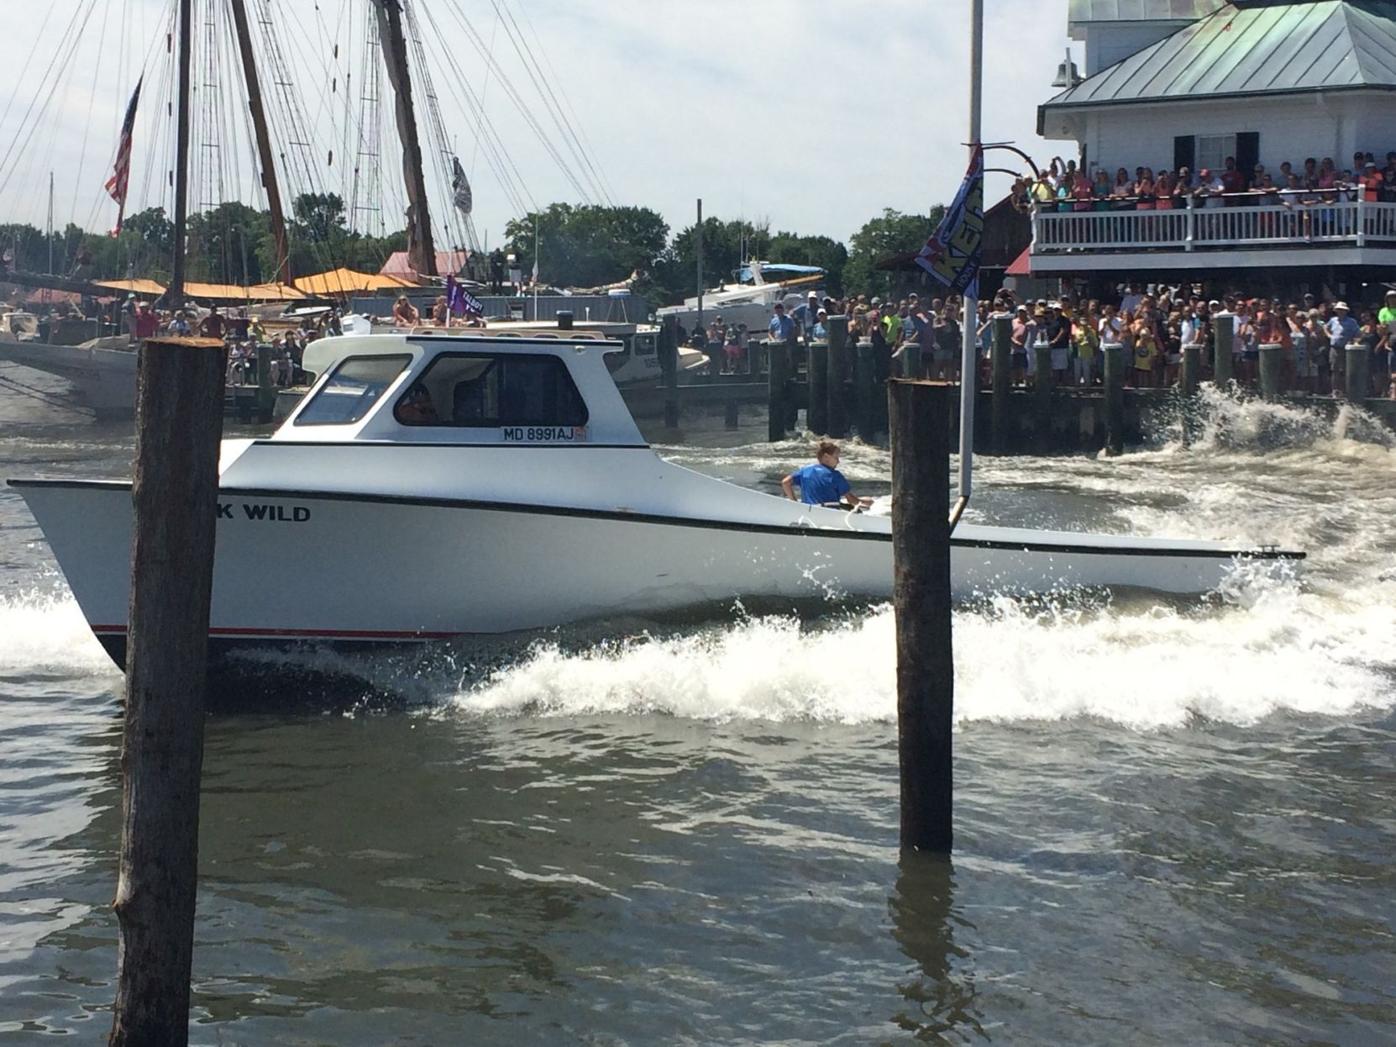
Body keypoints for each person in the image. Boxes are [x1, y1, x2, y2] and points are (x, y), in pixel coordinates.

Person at [781, 441, 870, 509]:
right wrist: (867, 503)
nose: (838, 461)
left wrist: (795, 503)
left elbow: (785, 482)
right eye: (836, 457)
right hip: (829, 514)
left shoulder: (805, 470)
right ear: (826, 456)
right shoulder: (835, 475)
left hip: (808, 512)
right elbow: (851, 500)